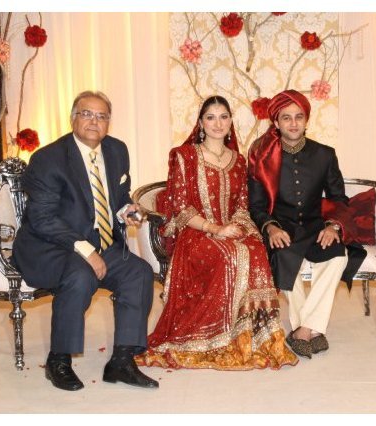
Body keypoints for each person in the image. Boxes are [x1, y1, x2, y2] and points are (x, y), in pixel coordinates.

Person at [134, 96, 298, 370]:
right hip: (196, 232)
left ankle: (251, 337)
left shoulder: (238, 160)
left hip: (230, 228)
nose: (218, 123)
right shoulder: (184, 156)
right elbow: (180, 207)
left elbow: (242, 206)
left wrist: (241, 230)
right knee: (228, 255)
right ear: (200, 123)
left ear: (231, 121)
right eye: (211, 117)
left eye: (224, 117)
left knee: (256, 251)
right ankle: (214, 338)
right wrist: (215, 228)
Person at [12, 91, 158, 390]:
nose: (94, 121)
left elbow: (118, 196)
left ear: (108, 122)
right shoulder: (49, 159)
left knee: (139, 272)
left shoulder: (117, 150)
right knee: (80, 274)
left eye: (101, 116)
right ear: (73, 118)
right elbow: (43, 219)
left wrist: (126, 211)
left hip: (98, 242)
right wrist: (87, 252)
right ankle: (59, 359)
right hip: (49, 246)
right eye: (87, 114)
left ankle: (122, 361)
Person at [248, 89, 364, 359]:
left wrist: (333, 226)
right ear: (276, 122)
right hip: (281, 229)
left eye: (298, 117)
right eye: (286, 118)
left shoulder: (324, 154)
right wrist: (270, 227)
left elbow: (338, 198)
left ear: (306, 120)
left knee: (338, 256)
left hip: (315, 227)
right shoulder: (262, 157)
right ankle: (313, 331)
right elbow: (256, 206)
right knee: (285, 259)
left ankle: (304, 329)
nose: (293, 123)